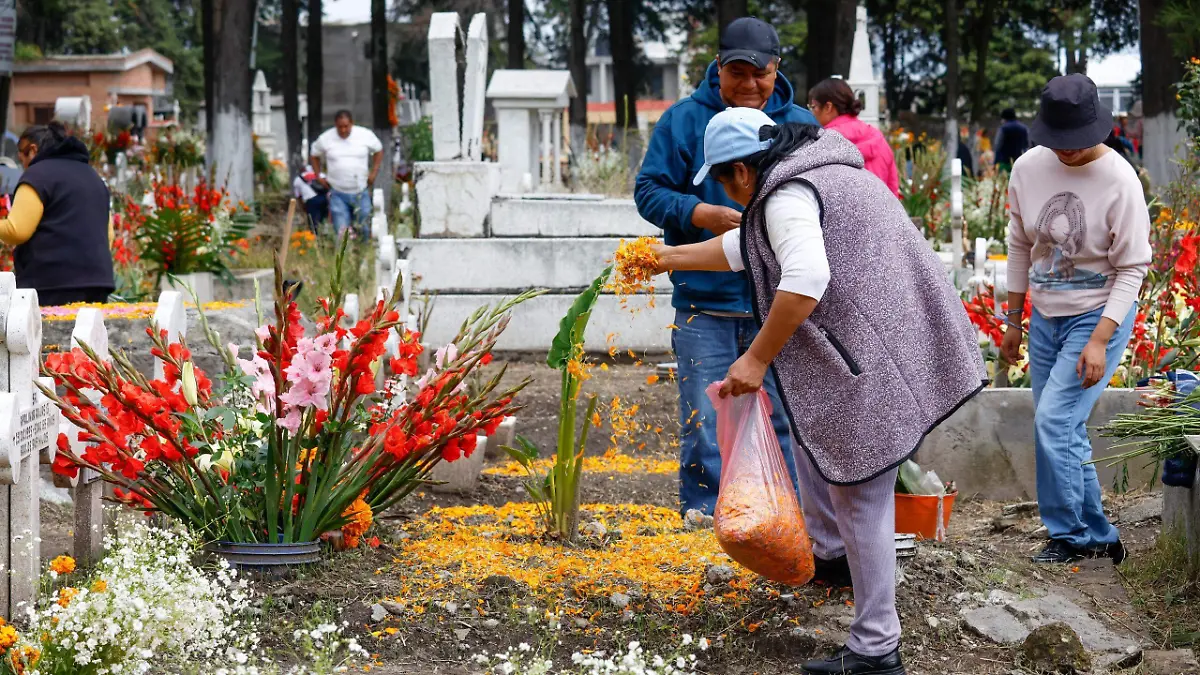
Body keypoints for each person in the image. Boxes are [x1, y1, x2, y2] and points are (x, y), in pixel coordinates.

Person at [652, 108, 986, 675]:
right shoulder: (814, 174)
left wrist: (755, 358)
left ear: (740, 169)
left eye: (722, 178)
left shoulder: (788, 195)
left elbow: (805, 278)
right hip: (884, 340)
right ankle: (832, 560)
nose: (723, 189)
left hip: (869, 355)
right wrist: (664, 259)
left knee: (860, 493)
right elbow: (749, 250)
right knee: (818, 454)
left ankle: (877, 647)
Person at [634, 16, 820, 526]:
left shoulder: (799, 123)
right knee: (704, 417)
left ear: (777, 69)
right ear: (719, 69)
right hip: (703, 298)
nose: (750, 85)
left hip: (778, 299)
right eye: (738, 74)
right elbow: (648, 191)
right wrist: (699, 214)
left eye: (761, 75)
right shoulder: (683, 121)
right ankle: (707, 515)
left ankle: (784, 516)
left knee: (785, 413)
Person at [1000, 74, 1151, 565]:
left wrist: (1101, 340)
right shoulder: (1026, 168)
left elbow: (1133, 268)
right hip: (1045, 316)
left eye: (1076, 143)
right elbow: (1020, 245)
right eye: (1057, 141)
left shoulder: (1120, 180)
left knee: (1054, 421)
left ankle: (1071, 535)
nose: (1066, 152)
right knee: (1064, 428)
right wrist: (1014, 321)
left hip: (1098, 316)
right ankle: (1100, 534)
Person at [0, 122, 114, 305]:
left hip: (51, 282)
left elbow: (17, 230)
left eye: (21, 155)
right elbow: (108, 234)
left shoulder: (37, 176)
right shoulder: (92, 176)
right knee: (86, 332)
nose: (22, 164)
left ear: (33, 150)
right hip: (98, 280)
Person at [806, 77, 900, 195]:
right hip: (881, 211)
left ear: (828, 107)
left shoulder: (822, 141)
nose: (811, 113)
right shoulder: (878, 138)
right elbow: (893, 189)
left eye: (813, 107)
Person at [310, 110, 383, 238]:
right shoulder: (326, 138)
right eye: (340, 127)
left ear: (351, 124)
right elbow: (314, 154)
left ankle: (364, 255)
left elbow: (378, 150)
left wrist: (374, 172)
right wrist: (319, 176)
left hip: (360, 190)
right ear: (335, 125)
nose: (343, 130)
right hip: (338, 192)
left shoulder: (364, 135)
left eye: (346, 126)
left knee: (364, 228)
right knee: (341, 231)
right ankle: (345, 256)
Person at [293, 165, 329, 231]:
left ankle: (315, 236)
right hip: (324, 199)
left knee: (313, 223)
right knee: (324, 219)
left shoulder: (297, 179)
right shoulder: (321, 175)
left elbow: (298, 196)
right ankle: (325, 233)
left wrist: (303, 207)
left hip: (311, 201)